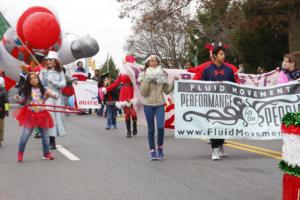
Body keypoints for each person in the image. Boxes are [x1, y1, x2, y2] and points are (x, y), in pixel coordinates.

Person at [200, 45, 238, 161]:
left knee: (223, 125)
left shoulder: (229, 70)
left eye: (224, 54)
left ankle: (221, 146)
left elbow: (233, 85)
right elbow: (202, 86)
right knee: (214, 125)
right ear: (214, 55)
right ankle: (214, 149)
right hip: (212, 102)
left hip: (225, 102)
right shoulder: (207, 70)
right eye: (221, 54)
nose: (223, 56)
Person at [139, 55, 178, 161]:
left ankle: (160, 148)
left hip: (160, 104)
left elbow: (167, 90)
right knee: (151, 129)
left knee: (161, 127)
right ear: (148, 63)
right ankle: (152, 151)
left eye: (155, 61)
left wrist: (174, 82)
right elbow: (143, 92)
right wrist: (147, 79)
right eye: (151, 61)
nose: (153, 62)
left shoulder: (162, 74)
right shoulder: (143, 74)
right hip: (148, 105)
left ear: (157, 62)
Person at [14, 73, 58, 162]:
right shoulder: (27, 90)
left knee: (45, 137)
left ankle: (46, 154)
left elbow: (56, 96)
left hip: (42, 115)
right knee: (25, 136)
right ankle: (20, 153)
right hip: (31, 115)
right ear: (29, 82)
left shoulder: (44, 89)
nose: (33, 80)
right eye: (31, 79)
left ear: (38, 78)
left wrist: (52, 94)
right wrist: (19, 100)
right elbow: (22, 101)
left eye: (35, 78)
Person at [40, 51, 66, 149]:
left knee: (57, 118)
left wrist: (54, 82)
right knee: (50, 118)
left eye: (50, 59)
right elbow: (40, 85)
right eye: (47, 60)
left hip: (58, 97)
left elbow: (63, 84)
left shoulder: (60, 72)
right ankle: (51, 141)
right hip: (48, 97)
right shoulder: (43, 72)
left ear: (55, 61)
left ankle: (52, 139)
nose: (48, 61)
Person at [101, 73, 138, 138]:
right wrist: (107, 89)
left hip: (133, 92)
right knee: (127, 113)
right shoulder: (122, 73)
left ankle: (134, 125)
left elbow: (139, 82)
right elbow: (115, 84)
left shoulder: (134, 71)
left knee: (133, 114)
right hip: (124, 93)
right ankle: (128, 131)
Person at [0, 77, 9, 147]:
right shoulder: (4, 91)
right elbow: (6, 102)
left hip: (1, 112)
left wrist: (6, 110)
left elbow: (6, 102)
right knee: (1, 126)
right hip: (1, 112)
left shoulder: (4, 92)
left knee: (1, 126)